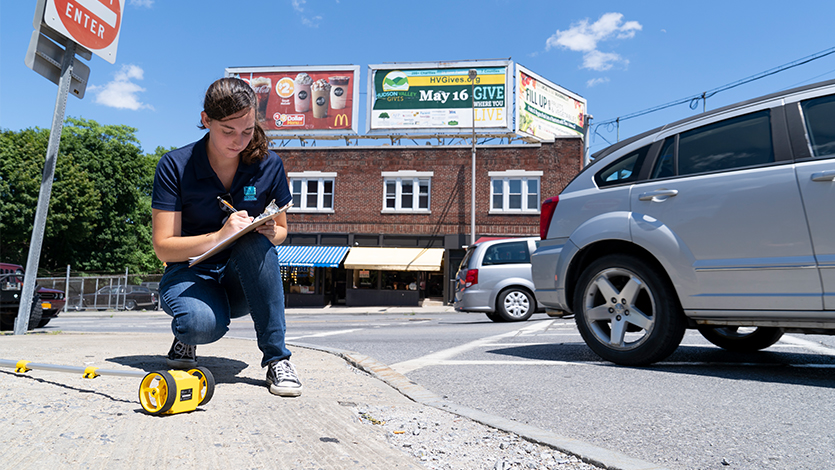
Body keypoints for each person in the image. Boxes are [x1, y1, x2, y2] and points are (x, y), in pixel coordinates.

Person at [151, 77, 301, 397]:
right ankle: (186, 336)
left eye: (247, 131)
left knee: (254, 241)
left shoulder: (269, 165)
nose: (239, 141)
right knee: (199, 324)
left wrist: (271, 232)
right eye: (228, 131)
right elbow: (163, 248)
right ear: (206, 120)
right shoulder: (174, 165)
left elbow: (283, 231)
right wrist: (219, 235)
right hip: (190, 273)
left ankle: (277, 358)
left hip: (240, 280)